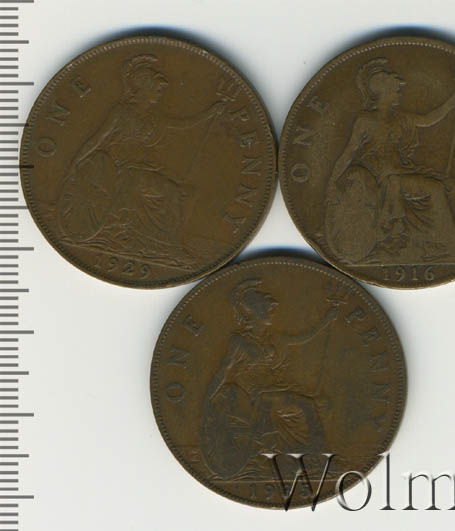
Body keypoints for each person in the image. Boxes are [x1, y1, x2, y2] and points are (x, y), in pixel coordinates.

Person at [57, 54, 225, 264]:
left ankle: (165, 243)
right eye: (156, 87)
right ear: (144, 87)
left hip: (141, 170)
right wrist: (77, 162)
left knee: (181, 192)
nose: (160, 90)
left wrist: (210, 114)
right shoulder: (121, 113)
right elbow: (97, 140)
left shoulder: (152, 116)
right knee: (171, 192)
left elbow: (182, 124)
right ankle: (166, 245)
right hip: (120, 172)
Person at [325, 57, 455, 264]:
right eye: (396, 90)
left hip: (403, 171)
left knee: (453, 187)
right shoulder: (365, 121)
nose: (400, 93)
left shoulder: (401, 118)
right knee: (435, 189)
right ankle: (454, 247)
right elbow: (348, 153)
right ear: (382, 92)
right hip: (382, 180)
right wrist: (333, 182)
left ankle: (432, 244)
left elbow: (429, 119)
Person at [201, 278, 338, 479]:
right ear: (254, 311)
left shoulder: (272, 340)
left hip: (273, 392)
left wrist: (326, 321)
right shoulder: (240, 341)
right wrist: (209, 398)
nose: (272, 308)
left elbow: (303, 338)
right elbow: (224, 371)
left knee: (316, 404)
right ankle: (319, 458)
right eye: (267, 305)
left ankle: (307, 458)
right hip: (255, 398)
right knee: (306, 405)